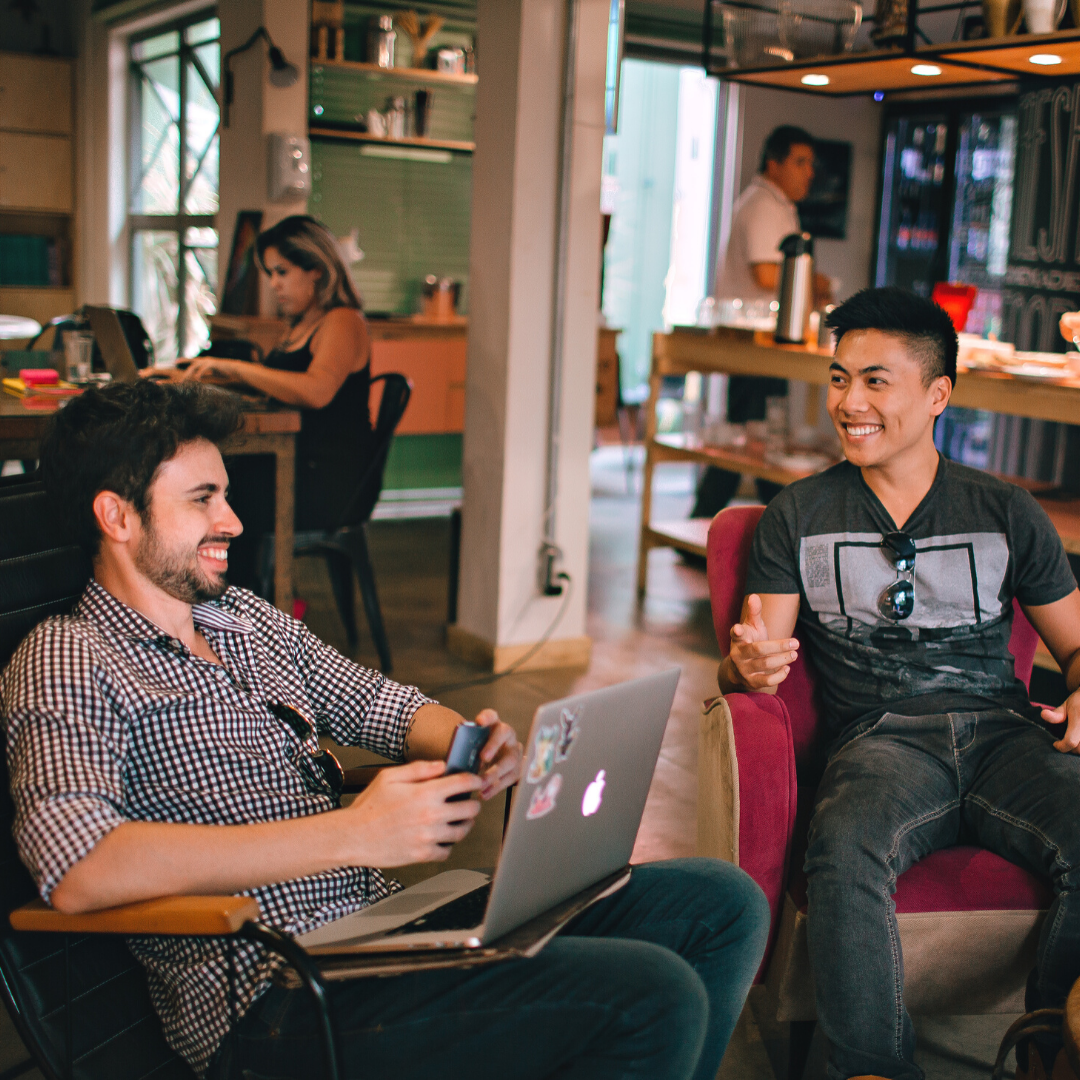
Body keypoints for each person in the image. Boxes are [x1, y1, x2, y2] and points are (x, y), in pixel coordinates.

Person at [1, 379, 770, 1080]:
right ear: (117, 515)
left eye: (225, 495)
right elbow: (78, 868)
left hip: (383, 934)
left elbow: (384, 706)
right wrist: (354, 835)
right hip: (276, 998)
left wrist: (471, 744)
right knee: (649, 996)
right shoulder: (70, 656)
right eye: (203, 499)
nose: (232, 520)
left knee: (720, 904)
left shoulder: (241, 619)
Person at [718, 287, 1080, 1080]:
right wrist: (743, 666)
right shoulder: (799, 513)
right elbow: (758, 651)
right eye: (839, 379)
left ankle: (1051, 1051)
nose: (850, 403)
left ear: (937, 394)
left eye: (875, 381)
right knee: (844, 846)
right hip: (881, 741)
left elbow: (1077, 648)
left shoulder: (1007, 511)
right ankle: (872, 1069)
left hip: (1005, 735)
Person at [182, 215, 374, 592]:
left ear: (316, 270)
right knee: (210, 485)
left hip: (325, 479)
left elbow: (316, 390)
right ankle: (219, 604)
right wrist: (201, 375)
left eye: (282, 272)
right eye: (271, 273)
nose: (275, 284)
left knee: (217, 495)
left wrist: (234, 368)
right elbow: (280, 387)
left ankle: (234, 608)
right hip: (297, 462)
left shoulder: (343, 321)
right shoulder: (301, 323)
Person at [693, 125, 830, 519]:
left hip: (765, 343)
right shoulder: (763, 206)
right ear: (774, 163)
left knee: (758, 440)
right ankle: (717, 528)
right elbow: (769, 275)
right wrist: (818, 281)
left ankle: (759, 527)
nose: (809, 173)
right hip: (755, 343)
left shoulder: (775, 205)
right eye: (800, 162)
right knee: (756, 442)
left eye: (811, 164)